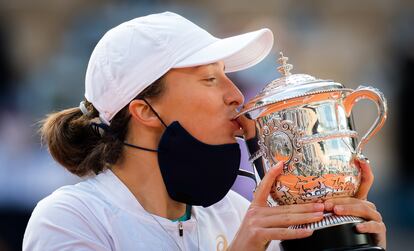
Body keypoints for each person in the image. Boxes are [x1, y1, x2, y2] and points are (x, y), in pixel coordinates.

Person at [23, 12, 386, 251]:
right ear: (145, 110)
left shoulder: (234, 214)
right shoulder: (70, 218)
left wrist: (343, 235)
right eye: (210, 79)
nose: (236, 95)